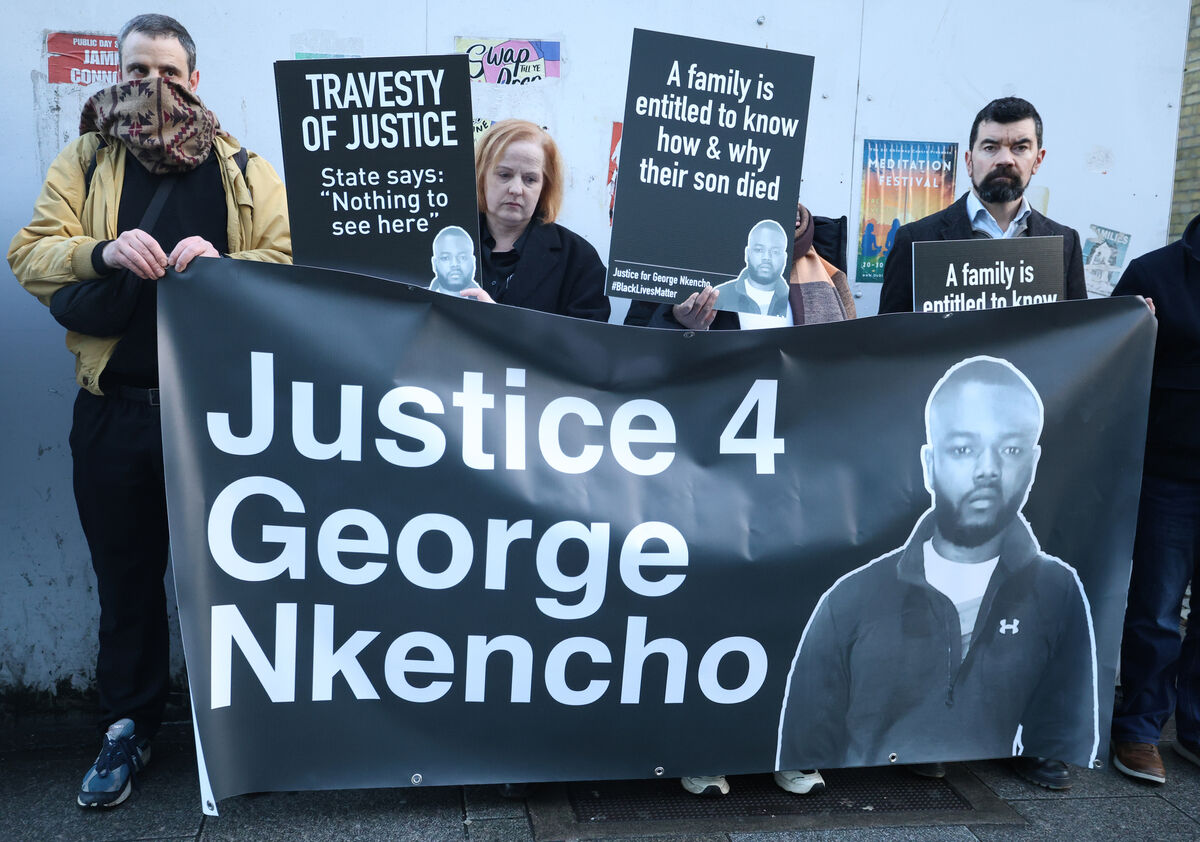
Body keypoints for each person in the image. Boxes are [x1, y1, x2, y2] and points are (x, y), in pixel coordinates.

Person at [7, 13, 290, 808]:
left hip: (220, 422)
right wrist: (101, 250)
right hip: (114, 412)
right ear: (118, 71)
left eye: (168, 74)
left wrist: (227, 267)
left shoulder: (240, 168)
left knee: (238, 581)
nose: (152, 87)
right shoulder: (87, 157)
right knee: (126, 581)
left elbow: (288, 263)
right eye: (138, 70)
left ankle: (237, 732)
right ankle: (127, 730)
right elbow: (31, 251)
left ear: (193, 82)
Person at [776, 357, 1099, 787]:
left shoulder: (1057, 589)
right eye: (964, 448)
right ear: (929, 464)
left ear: (1034, 462)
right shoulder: (851, 599)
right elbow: (804, 744)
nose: (988, 469)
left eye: (1011, 449)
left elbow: (1065, 728)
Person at [626, 204, 852, 797]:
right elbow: (629, 356)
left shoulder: (824, 275)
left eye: (779, 247)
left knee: (791, 607)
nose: (769, 257)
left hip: (792, 471)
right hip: (703, 471)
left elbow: (853, 364)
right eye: (759, 247)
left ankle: (789, 744)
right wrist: (679, 323)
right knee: (710, 610)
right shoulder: (681, 258)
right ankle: (707, 745)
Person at [1109, 214, 1199, 785]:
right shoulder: (1155, 272)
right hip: (1171, 473)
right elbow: (1111, 358)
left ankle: (1193, 728)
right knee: (1159, 611)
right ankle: (1139, 730)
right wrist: (1131, 326)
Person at [879, 97, 1086, 314]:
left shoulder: (1066, 243)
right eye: (990, 147)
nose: (1005, 159)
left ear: (1038, 160)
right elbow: (890, 341)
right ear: (969, 162)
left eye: (1020, 148)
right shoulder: (914, 240)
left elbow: (1080, 333)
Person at [462, 119, 609, 321]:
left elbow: (587, 345)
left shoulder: (579, 260)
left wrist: (502, 324)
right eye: (504, 175)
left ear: (545, 187)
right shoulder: (441, 241)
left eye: (530, 179)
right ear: (481, 176)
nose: (516, 189)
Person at [711, 220, 791, 317]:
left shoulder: (793, 302)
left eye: (775, 251)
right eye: (759, 250)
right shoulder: (720, 296)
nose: (766, 257)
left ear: (785, 258)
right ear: (747, 254)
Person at [428, 225, 481, 296]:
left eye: (462, 257)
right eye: (445, 258)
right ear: (434, 264)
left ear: (473, 262)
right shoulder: (418, 302)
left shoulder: (490, 298)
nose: (455, 264)